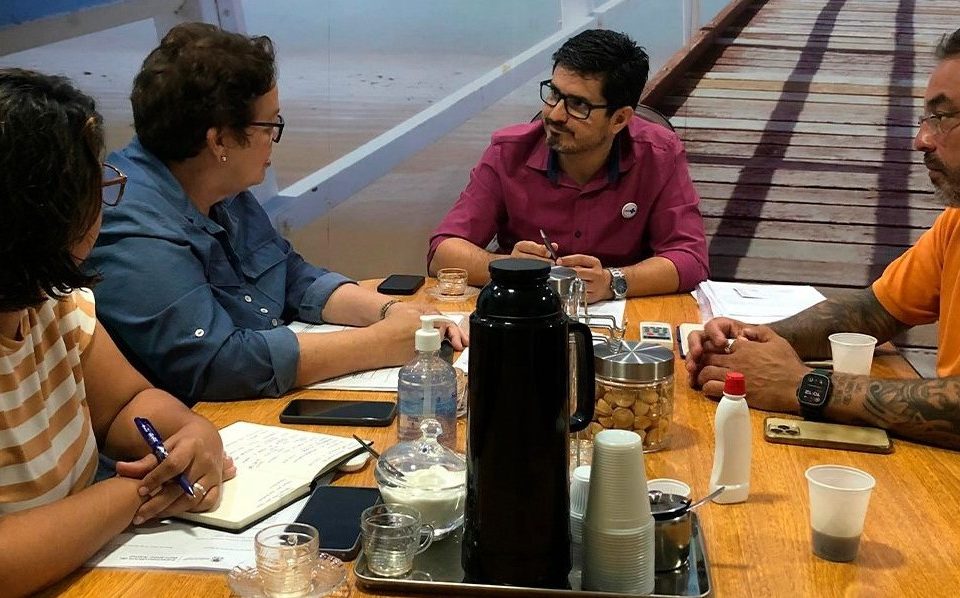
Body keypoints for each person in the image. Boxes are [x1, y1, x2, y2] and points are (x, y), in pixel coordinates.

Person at [88, 23, 466, 405]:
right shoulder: (130, 221)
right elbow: (216, 364)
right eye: (269, 125)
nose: (274, 138)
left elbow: (289, 274)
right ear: (219, 140)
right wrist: (379, 343)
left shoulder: (212, 179)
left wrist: (391, 312)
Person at [0, 69, 231, 597]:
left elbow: (129, 403)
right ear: (41, 210)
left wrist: (192, 434)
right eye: (94, 183)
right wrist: (140, 491)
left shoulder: (55, 305)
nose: (104, 199)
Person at [686, 29, 960, 450]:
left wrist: (803, 386)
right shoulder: (954, 224)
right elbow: (874, 310)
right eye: (925, 119)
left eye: (941, 118)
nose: (921, 140)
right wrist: (752, 340)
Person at [428, 29, 709, 303]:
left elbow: (691, 259)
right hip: (527, 308)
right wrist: (508, 269)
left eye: (577, 105)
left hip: (623, 314)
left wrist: (612, 281)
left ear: (619, 119)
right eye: (554, 94)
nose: (555, 115)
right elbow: (442, 253)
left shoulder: (659, 154)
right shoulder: (508, 152)